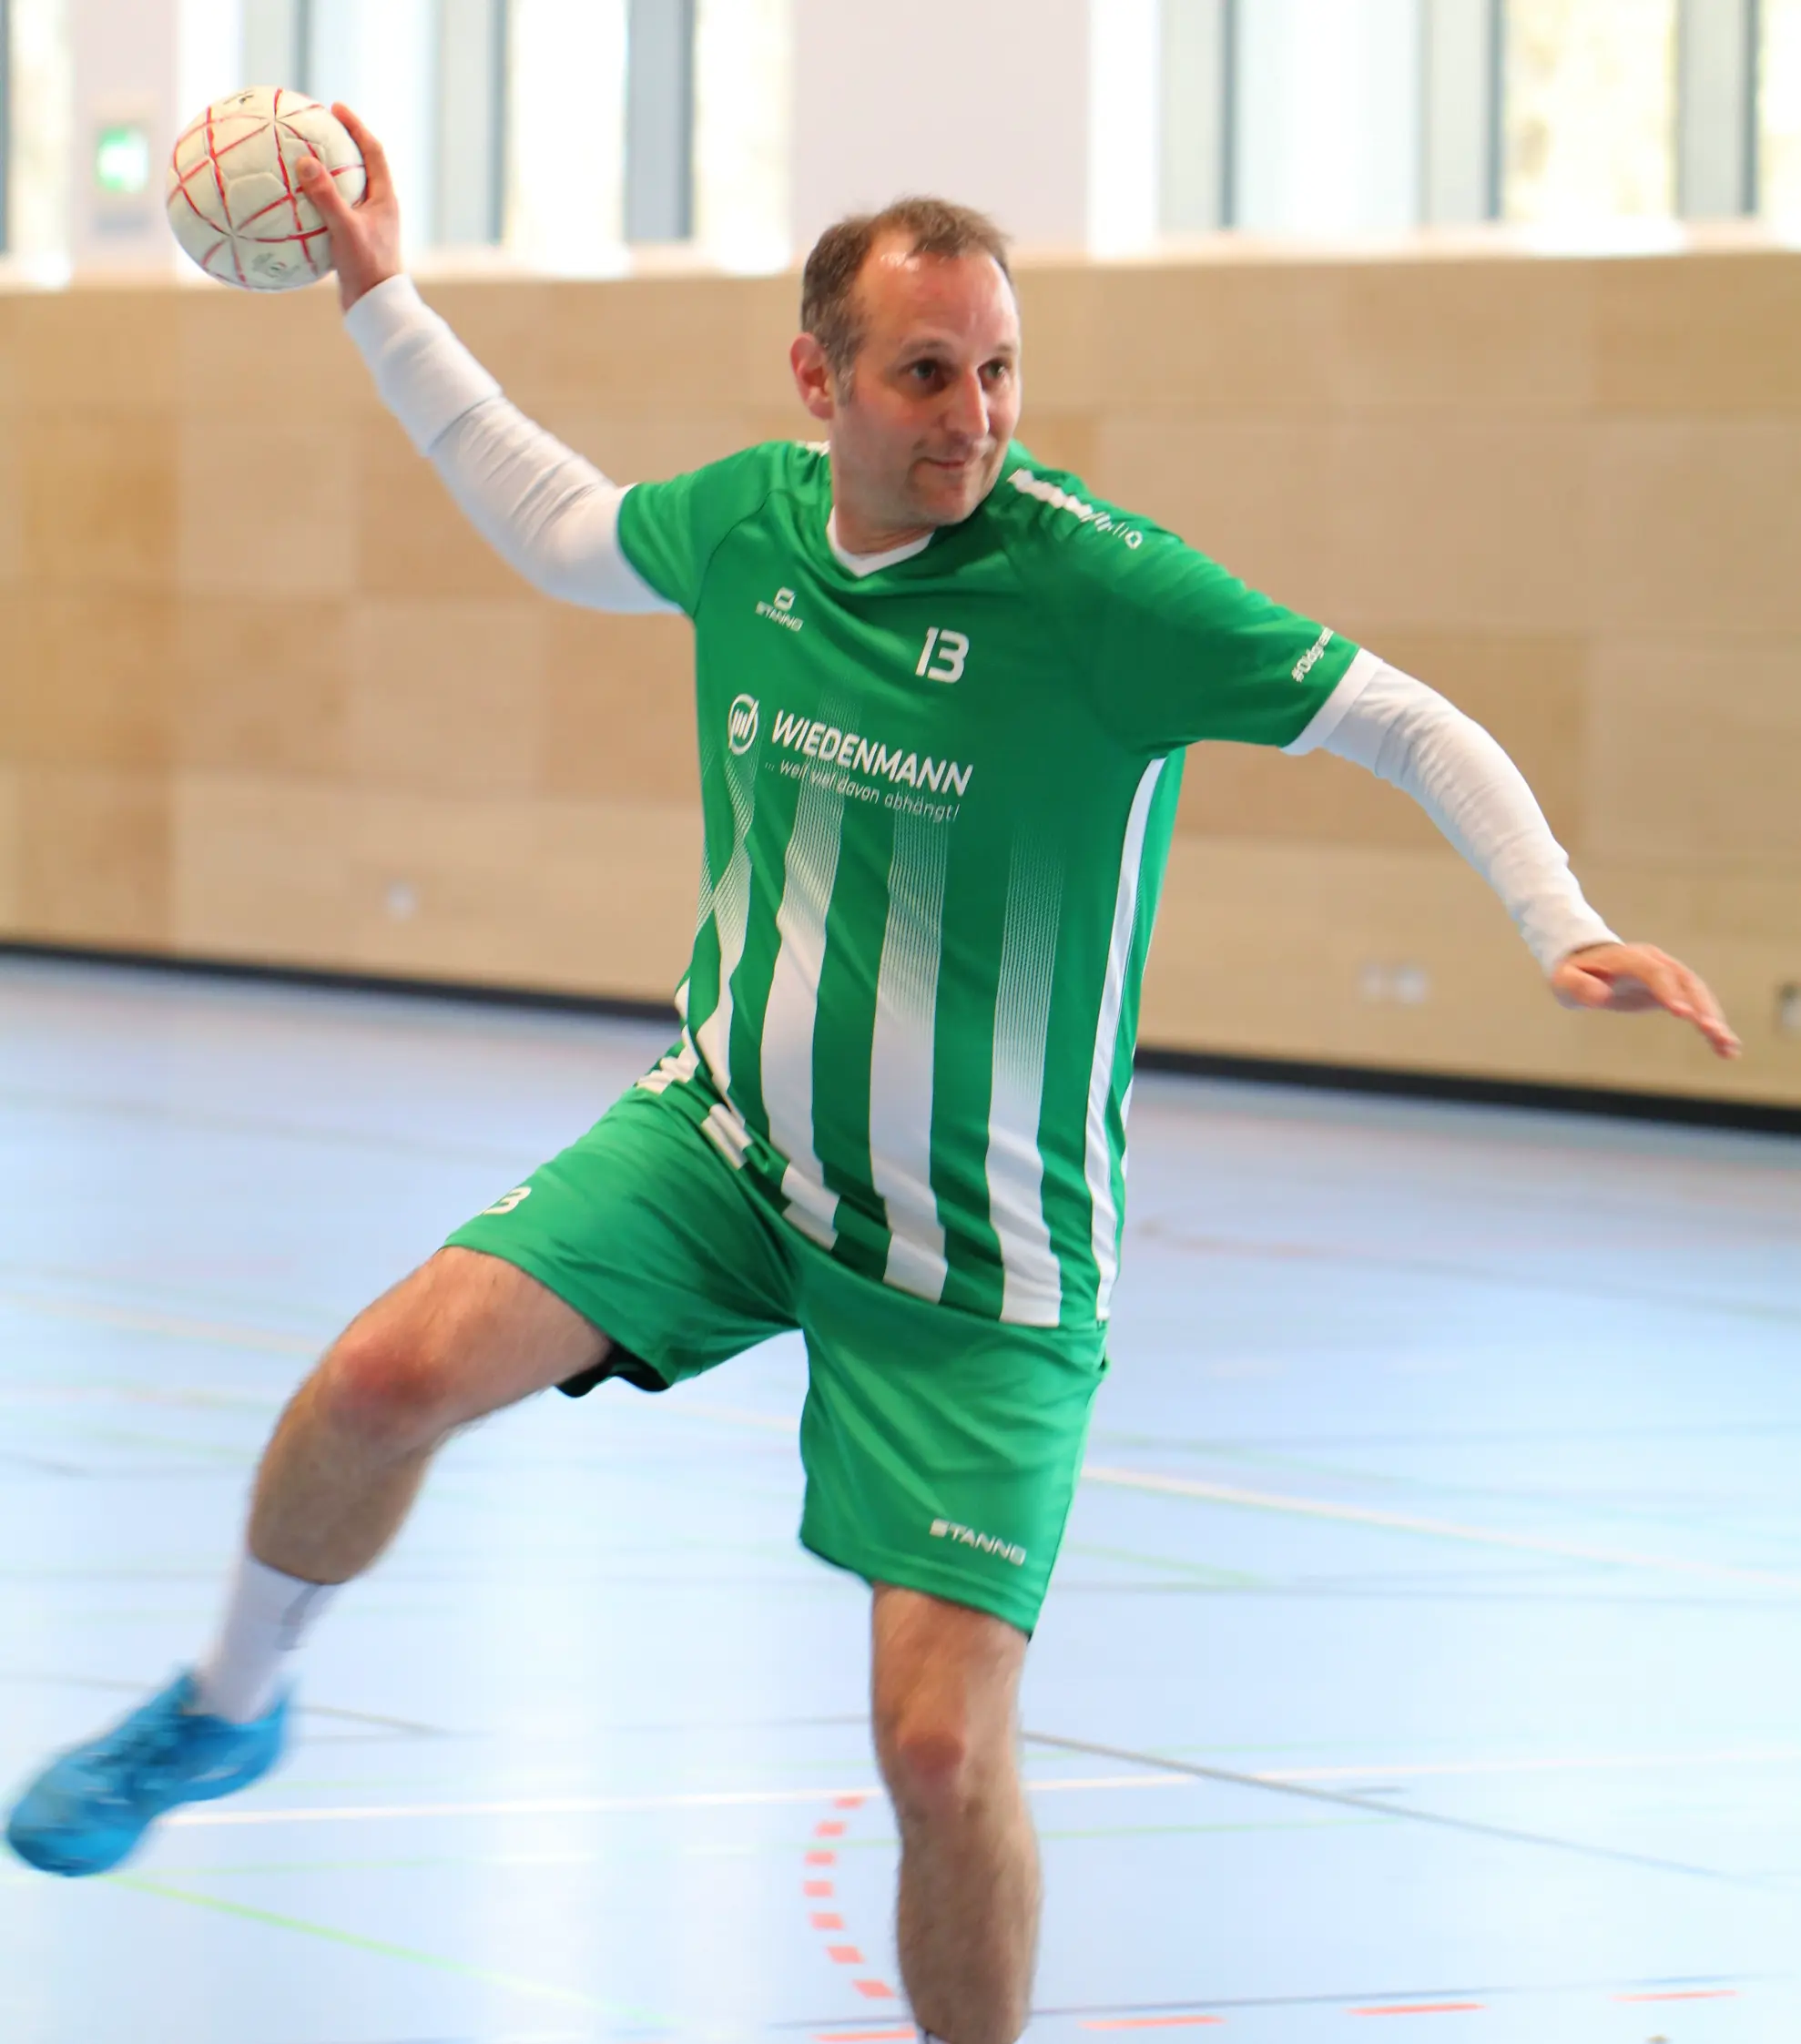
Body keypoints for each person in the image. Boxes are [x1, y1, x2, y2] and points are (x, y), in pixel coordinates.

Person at [7, 106, 1739, 2044]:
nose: (972, 417)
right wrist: (379, 295)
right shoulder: (754, 529)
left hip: (980, 1262)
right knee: (379, 1380)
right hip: (725, 1150)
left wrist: (1558, 922)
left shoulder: (1099, 593)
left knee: (934, 1753)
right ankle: (227, 1705)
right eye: (927, 373)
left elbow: (1401, 721)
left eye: (999, 371)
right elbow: (553, 520)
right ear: (817, 378)